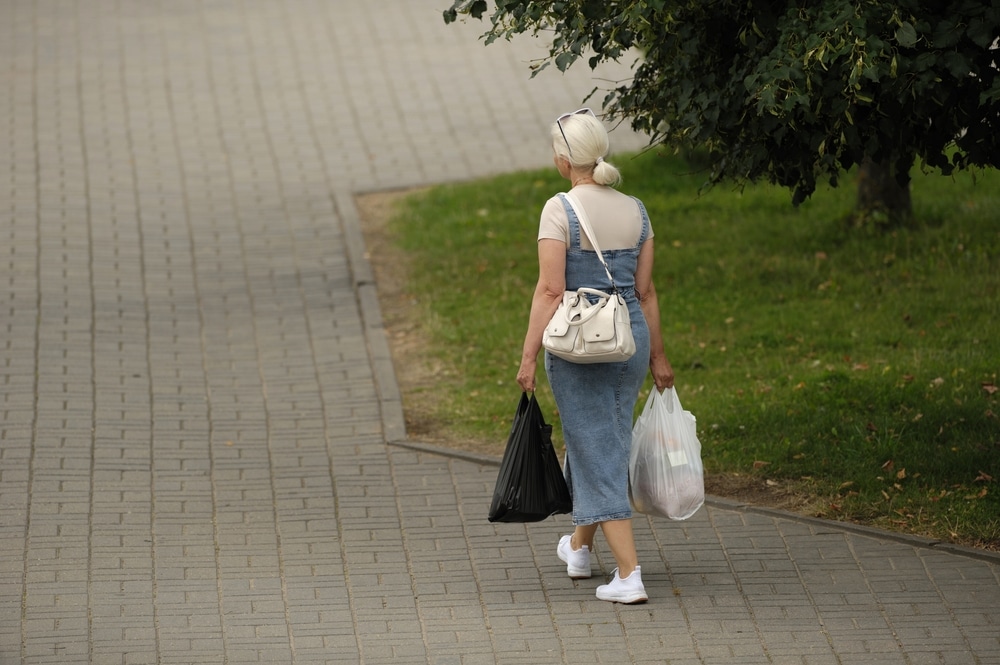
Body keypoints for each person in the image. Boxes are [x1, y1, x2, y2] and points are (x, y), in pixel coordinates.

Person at [516, 108, 674, 604]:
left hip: (580, 345)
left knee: (598, 447)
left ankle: (629, 575)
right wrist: (658, 358)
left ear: (564, 160)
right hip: (628, 338)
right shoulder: (637, 209)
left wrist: (526, 357)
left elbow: (549, 290)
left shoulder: (558, 209)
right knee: (600, 437)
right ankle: (580, 550)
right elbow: (646, 294)